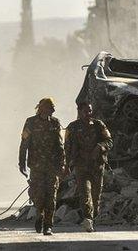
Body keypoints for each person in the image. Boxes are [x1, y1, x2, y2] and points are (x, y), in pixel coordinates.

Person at [18, 97, 65, 235]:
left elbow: (60, 145)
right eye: (50, 107)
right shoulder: (30, 122)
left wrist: (62, 164)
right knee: (38, 194)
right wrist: (22, 163)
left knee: (51, 194)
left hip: (52, 165)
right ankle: (39, 214)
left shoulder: (55, 123)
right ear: (42, 108)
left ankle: (48, 225)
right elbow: (24, 143)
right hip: (36, 165)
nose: (53, 110)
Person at [64, 101, 113, 232]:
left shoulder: (98, 125)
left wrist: (99, 147)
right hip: (81, 166)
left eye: (90, 111)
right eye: (86, 111)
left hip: (97, 166)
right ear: (80, 112)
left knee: (96, 197)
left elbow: (109, 141)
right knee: (85, 193)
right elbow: (67, 147)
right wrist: (66, 165)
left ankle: (92, 217)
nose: (88, 113)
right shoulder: (72, 127)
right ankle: (87, 219)